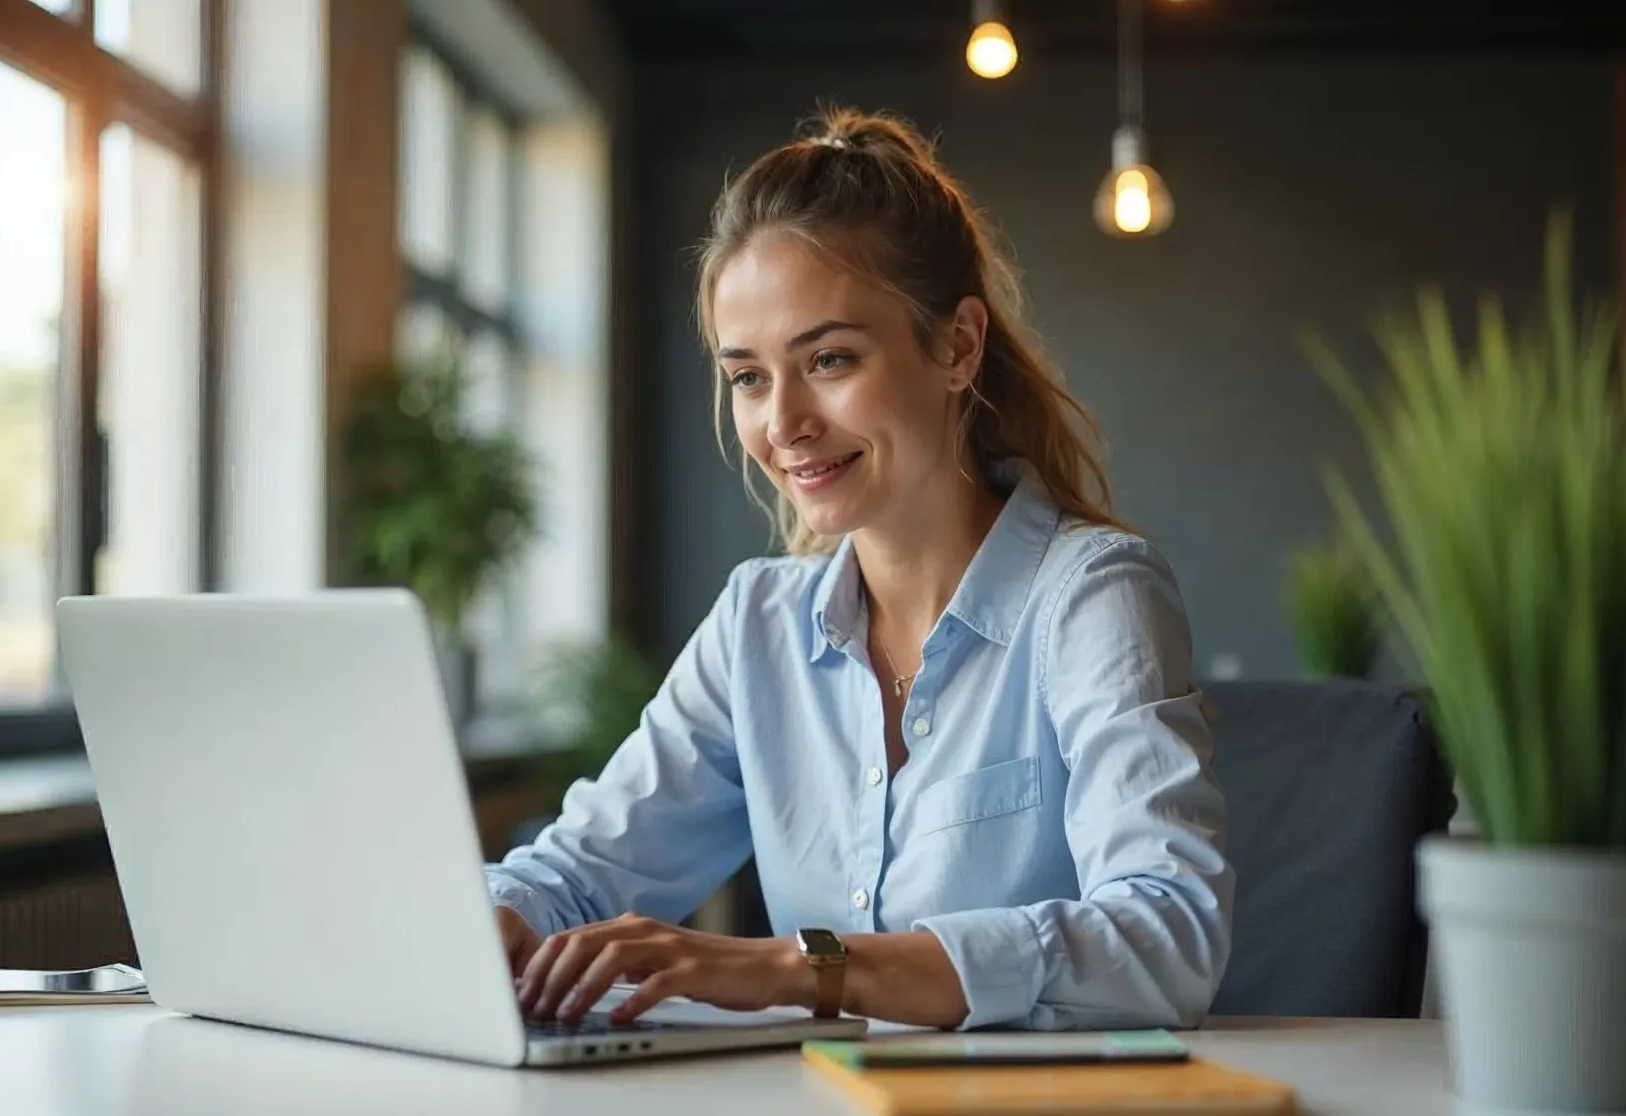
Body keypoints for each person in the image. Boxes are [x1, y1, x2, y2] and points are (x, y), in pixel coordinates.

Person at [485, 107, 1232, 1032]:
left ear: (958, 346)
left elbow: (1169, 936)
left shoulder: (1091, 594)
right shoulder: (758, 623)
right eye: (749, 377)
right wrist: (482, 926)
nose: (782, 422)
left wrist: (807, 968)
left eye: (829, 359)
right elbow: (578, 875)